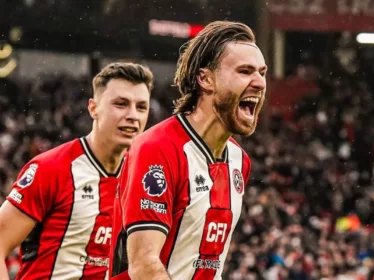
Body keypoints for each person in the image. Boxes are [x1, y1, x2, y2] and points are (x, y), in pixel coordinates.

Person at [110, 20, 267, 280]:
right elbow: (144, 266)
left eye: (262, 72)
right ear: (205, 79)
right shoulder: (157, 148)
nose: (260, 83)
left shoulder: (240, 161)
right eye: (245, 71)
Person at [0, 62, 153, 280]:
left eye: (141, 107)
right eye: (121, 104)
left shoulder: (143, 181)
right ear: (93, 108)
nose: (132, 115)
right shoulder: (51, 169)